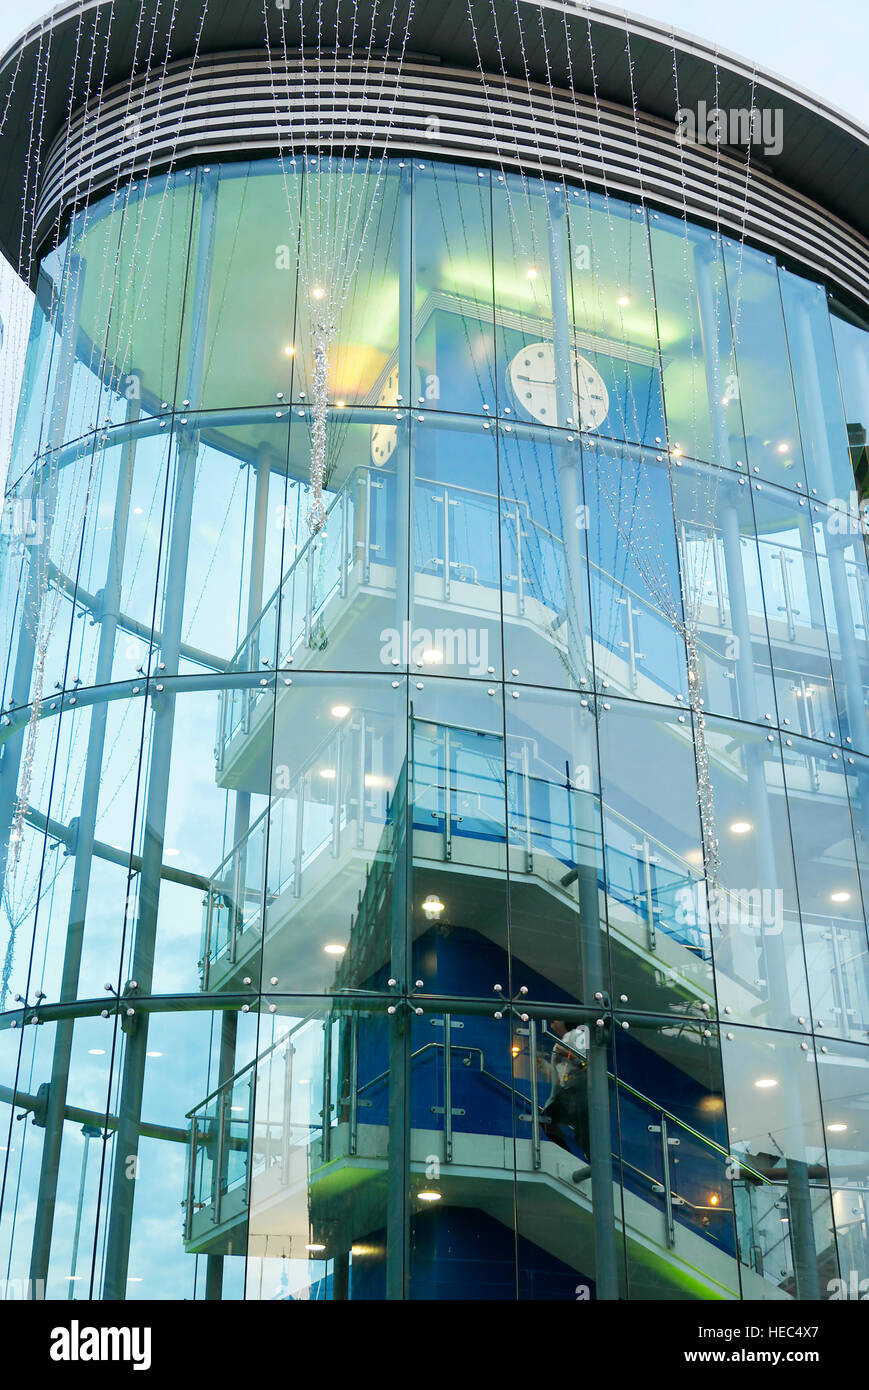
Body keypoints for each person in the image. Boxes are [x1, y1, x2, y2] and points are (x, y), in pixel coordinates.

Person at [541, 1019, 592, 1184]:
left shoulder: (576, 1034)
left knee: (581, 1125)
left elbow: (585, 1061)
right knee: (548, 1119)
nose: (552, 1025)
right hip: (567, 1088)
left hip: (578, 1085)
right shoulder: (562, 1040)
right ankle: (570, 1154)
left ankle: (591, 1158)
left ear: (564, 1021)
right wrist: (545, 1066)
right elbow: (558, 1073)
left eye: (554, 1021)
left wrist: (566, 1053)